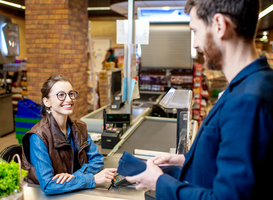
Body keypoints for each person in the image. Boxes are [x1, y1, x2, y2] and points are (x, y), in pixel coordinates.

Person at [126, 0, 273, 199]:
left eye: (195, 31)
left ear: (219, 25)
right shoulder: (253, 82)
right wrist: (184, 160)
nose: (195, 44)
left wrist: (159, 182)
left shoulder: (247, 100)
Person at [22, 75, 117, 195]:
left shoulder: (79, 127)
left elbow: (97, 160)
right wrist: (91, 179)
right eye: (61, 95)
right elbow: (48, 185)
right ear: (47, 102)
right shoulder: (38, 137)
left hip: (71, 192)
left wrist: (74, 177)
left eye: (71, 94)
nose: (69, 99)